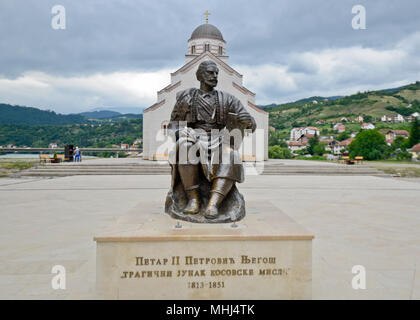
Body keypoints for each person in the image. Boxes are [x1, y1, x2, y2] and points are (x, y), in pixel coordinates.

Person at [165, 60, 256, 221]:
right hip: (193, 137)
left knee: (230, 154)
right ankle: (193, 199)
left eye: (216, 73)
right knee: (184, 146)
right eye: (210, 73)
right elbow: (172, 125)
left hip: (219, 139)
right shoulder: (186, 97)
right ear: (199, 75)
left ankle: (214, 203)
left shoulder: (228, 99)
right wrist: (183, 131)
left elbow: (250, 123)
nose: (214, 76)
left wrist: (248, 120)